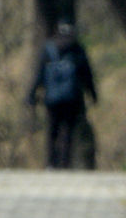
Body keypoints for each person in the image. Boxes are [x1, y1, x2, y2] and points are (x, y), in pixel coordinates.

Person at [26, 20, 97, 169]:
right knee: (68, 131)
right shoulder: (77, 49)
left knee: (52, 129)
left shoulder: (48, 48)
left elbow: (39, 74)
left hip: (52, 98)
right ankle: (65, 163)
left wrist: (32, 94)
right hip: (72, 97)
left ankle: (51, 163)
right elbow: (86, 74)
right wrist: (93, 94)